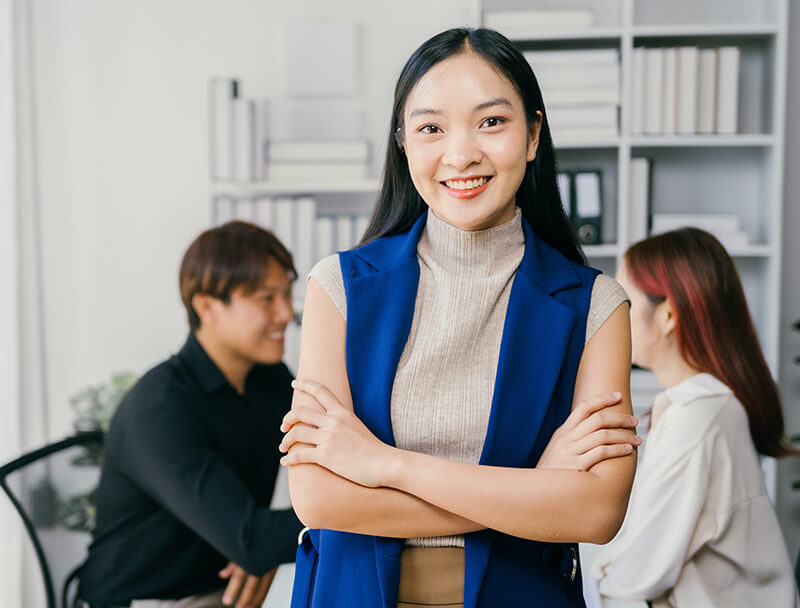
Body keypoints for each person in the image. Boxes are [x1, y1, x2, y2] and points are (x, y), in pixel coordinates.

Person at [278, 28, 640, 608]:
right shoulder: (339, 288)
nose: (460, 153)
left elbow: (595, 513)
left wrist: (381, 465)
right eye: (430, 128)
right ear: (402, 143)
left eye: (491, 122)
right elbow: (320, 499)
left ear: (533, 135)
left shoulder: (595, 306)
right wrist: (531, 494)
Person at [78, 221, 304, 608]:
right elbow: (252, 541)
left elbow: (330, 461)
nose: (286, 313)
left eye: (287, 294)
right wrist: (265, 544)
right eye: (267, 299)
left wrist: (264, 546)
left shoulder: (269, 380)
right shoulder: (158, 408)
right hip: (145, 600)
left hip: (219, 592)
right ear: (206, 307)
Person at [592, 228, 800, 607]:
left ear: (669, 315)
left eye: (623, 300)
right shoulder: (705, 406)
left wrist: (599, 570)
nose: (611, 313)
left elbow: (635, 579)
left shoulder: (698, 417)